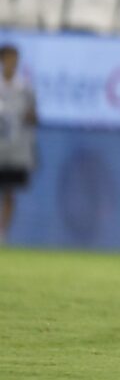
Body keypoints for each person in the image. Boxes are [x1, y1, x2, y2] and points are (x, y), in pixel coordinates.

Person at [0, 44, 37, 244]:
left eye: (15, 60)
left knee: (9, 191)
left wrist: (30, 116)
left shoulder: (24, 88)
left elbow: (34, 117)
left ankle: (2, 232)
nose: (12, 63)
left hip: (14, 149)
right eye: (9, 59)